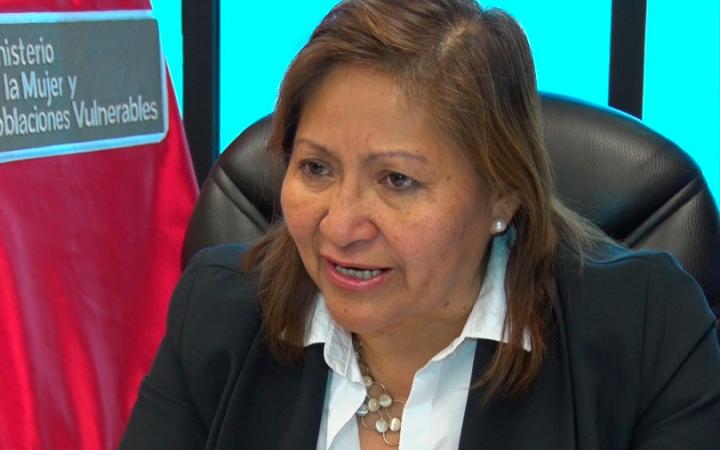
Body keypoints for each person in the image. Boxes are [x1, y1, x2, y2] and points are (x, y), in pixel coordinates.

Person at [120, 0, 720, 448]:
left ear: (503, 193)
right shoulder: (218, 313)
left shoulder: (647, 330)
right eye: (316, 168)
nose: (341, 226)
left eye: (397, 180)